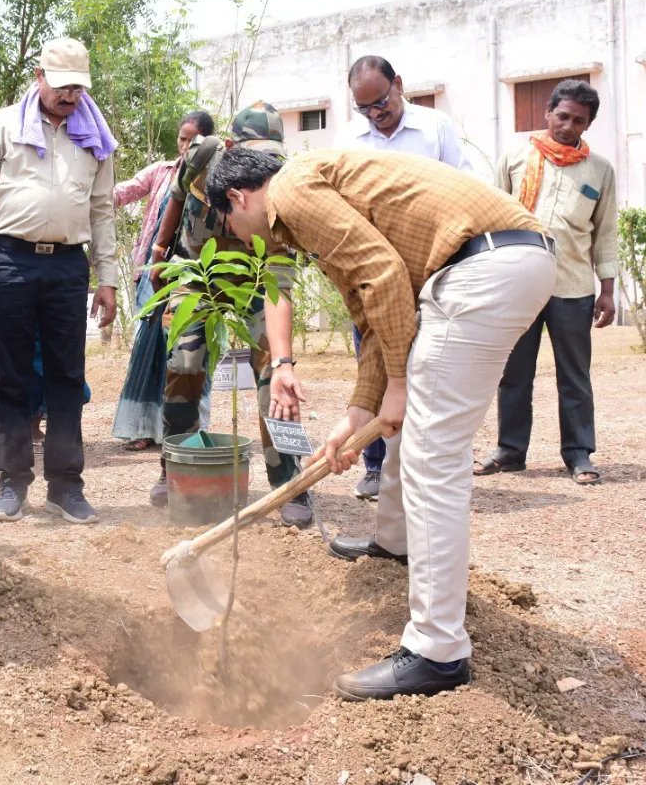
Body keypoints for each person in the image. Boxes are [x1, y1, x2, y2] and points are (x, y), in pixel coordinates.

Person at [208, 147, 555, 701]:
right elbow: (376, 311)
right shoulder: (314, 195)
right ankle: (395, 542)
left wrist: (397, 385)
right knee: (417, 434)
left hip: (482, 267)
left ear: (238, 197)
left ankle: (437, 653)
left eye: (233, 229)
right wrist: (361, 412)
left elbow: (383, 275)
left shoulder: (293, 189)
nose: (247, 242)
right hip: (507, 261)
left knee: (431, 456)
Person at [0, 36, 119, 525]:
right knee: (12, 378)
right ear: (39, 76)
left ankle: (67, 487)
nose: (71, 97)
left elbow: (103, 209)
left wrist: (107, 278)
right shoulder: (4, 124)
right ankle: (11, 485)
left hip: (68, 265)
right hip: (9, 262)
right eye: (63, 86)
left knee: (68, 376)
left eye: (78, 88)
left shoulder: (95, 134)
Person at [144, 102, 307, 525]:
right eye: (255, 153)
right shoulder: (202, 156)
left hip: (256, 281)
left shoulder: (283, 191)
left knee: (275, 373)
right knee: (184, 359)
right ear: (232, 146)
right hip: (200, 272)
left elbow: (278, 284)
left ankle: (290, 484)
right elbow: (176, 198)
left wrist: (284, 358)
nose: (263, 164)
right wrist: (161, 251)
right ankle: (175, 467)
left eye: (271, 155)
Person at [339, 55, 477, 502]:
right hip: (374, 274)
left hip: (431, 271)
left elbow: (464, 192)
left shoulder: (436, 129)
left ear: (398, 85)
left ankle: (424, 465)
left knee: (429, 366)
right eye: (365, 109)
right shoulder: (349, 141)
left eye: (381, 103)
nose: (375, 115)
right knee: (374, 363)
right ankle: (376, 465)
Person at [478, 79, 616, 485]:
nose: (568, 126)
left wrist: (607, 289)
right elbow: (492, 215)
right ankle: (510, 450)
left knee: (574, 376)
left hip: (572, 287)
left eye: (578, 120)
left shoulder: (600, 171)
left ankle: (578, 454)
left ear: (587, 125)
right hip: (519, 283)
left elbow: (605, 232)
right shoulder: (516, 155)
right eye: (563, 116)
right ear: (547, 113)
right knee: (514, 372)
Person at [111, 109, 213, 451]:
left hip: (193, 280)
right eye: (182, 138)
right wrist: (92, 196)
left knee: (185, 352)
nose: (185, 146)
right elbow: (126, 191)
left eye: (193, 140)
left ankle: (183, 429)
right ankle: (141, 427)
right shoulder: (162, 172)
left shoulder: (213, 178)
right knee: (149, 346)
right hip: (153, 275)